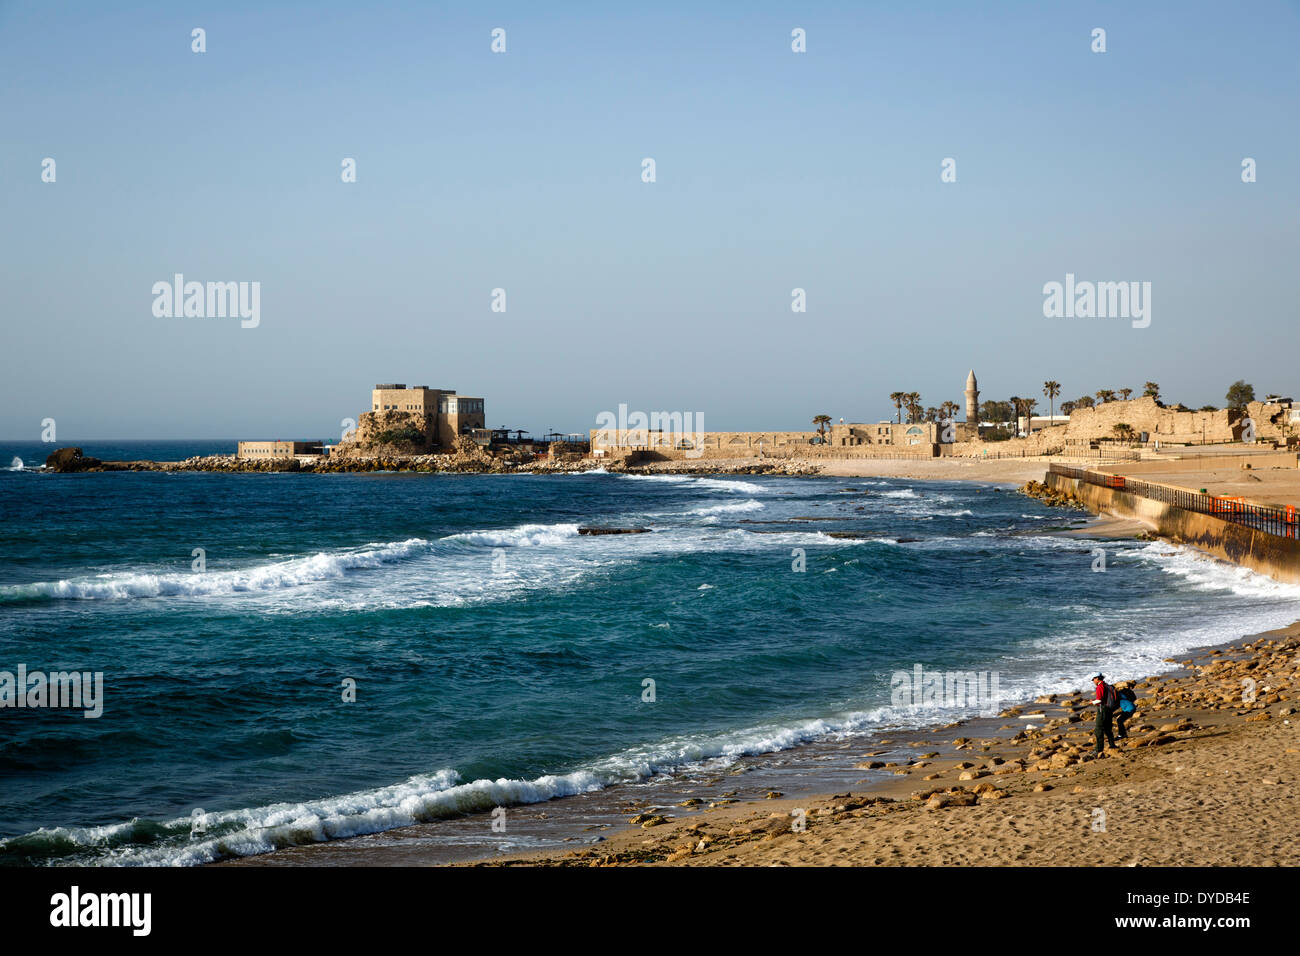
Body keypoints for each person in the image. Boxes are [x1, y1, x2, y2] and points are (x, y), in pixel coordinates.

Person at [1090, 673, 1118, 754]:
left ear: (1097, 678)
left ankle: (1098, 749)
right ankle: (1112, 745)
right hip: (1109, 709)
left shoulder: (1100, 686)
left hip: (1103, 709)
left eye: (1093, 679)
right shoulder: (1106, 685)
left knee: (1098, 729)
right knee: (1108, 728)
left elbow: (1099, 700)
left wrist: (1092, 702)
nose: (1093, 681)